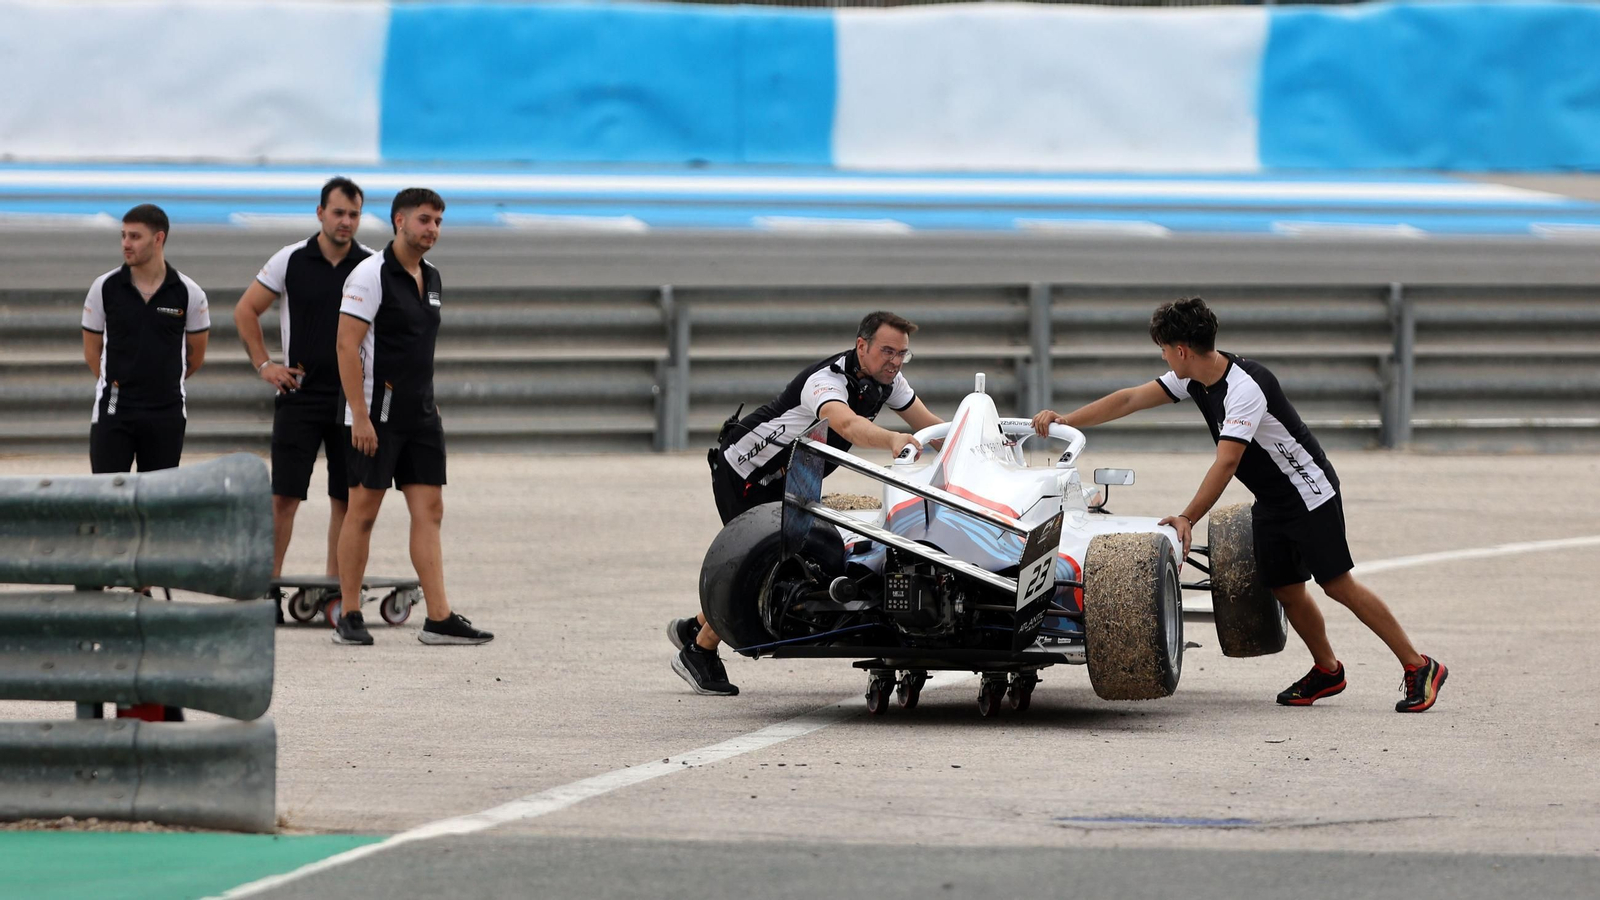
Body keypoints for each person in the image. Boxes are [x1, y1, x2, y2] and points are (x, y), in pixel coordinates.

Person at [1031, 297, 1447, 713]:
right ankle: (1328, 670)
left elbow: (1227, 462)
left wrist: (1188, 516)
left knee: (1338, 585)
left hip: (1308, 493)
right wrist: (1067, 421)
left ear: (1182, 350)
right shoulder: (1193, 375)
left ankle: (1420, 665)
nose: (1160, 356)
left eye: (1162, 348)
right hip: (1272, 497)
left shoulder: (1245, 388)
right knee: (1286, 588)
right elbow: (1129, 400)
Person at [669, 310, 944, 695]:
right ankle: (698, 651)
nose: (895, 362)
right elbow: (846, 426)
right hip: (746, 475)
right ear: (861, 346)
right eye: (887, 352)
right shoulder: (825, 381)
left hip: (790, 476)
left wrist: (979, 441)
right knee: (766, 563)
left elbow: (928, 425)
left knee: (787, 558)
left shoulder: (888, 380)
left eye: (903, 354)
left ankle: (696, 625)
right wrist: (892, 440)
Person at [332, 187, 492, 647]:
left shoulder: (433, 276)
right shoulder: (369, 276)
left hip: (420, 414)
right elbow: (346, 345)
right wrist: (359, 416)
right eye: (424, 220)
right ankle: (347, 613)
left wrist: (428, 400)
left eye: (438, 222)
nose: (433, 230)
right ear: (398, 221)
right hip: (374, 415)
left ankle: (438, 618)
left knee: (430, 511)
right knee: (362, 512)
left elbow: (418, 347)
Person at [81, 202, 210, 723]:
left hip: (165, 414)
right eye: (122, 236)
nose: (125, 244)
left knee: (156, 504)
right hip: (114, 411)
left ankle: (144, 586)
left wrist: (162, 390)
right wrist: (120, 386)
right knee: (109, 500)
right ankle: (106, 584)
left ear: (160, 239)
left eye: (135, 236)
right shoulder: (104, 288)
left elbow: (194, 356)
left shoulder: (189, 294)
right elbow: (94, 351)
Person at [234, 177, 373, 621]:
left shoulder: (371, 265)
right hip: (301, 392)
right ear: (320, 213)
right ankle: (269, 588)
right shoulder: (291, 259)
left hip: (352, 398)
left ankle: (335, 588)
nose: (346, 222)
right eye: (338, 213)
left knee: (346, 500)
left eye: (353, 214)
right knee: (284, 496)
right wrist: (265, 365)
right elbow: (245, 310)